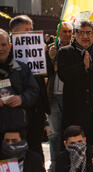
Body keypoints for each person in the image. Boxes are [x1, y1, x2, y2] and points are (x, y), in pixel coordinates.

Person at [57, 20, 93, 152]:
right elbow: (64, 75)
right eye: (81, 33)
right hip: (75, 109)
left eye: (88, 33)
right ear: (75, 35)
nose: (85, 37)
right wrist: (84, 67)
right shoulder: (65, 52)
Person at [9, 15, 51, 162]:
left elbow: (45, 77)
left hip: (36, 110)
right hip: (15, 113)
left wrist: (46, 55)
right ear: (14, 32)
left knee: (35, 150)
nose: (30, 33)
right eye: (26, 30)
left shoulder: (38, 50)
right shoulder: (6, 53)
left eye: (31, 29)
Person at [0, 29, 39, 137]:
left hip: (19, 128)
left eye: (4, 45)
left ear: (10, 46)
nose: (1, 48)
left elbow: (34, 91)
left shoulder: (22, 68)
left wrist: (21, 99)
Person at [46, 21, 73, 172]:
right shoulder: (51, 48)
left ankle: (68, 162)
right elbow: (43, 71)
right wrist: (50, 58)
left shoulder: (75, 49)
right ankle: (55, 162)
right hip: (53, 96)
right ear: (57, 33)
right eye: (64, 31)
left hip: (69, 96)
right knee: (54, 132)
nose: (67, 34)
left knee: (69, 130)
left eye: (70, 31)